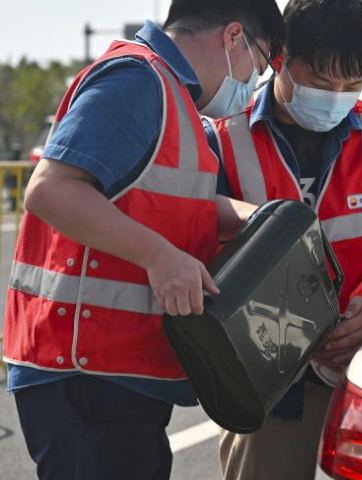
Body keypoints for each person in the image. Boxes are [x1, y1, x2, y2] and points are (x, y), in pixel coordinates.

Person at [2, 1, 283, 479]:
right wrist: (159, 256)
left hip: (122, 373)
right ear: (234, 37)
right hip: (87, 374)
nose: (251, 90)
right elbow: (51, 190)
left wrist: (259, 221)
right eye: (258, 70)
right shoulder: (138, 80)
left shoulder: (179, 103)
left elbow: (175, 204)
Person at [205, 1, 362, 478]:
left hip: (358, 363)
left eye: (353, 84)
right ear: (279, 56)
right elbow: (201, 230)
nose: (337, 96)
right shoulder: (223, 134)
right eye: (323, 82)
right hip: (262, 371)